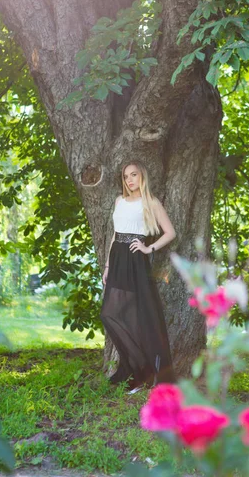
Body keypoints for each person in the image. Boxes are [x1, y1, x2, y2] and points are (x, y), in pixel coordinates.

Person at [100, 160, 177, 393]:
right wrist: (107, 266)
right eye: (126, 176)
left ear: (142, 176)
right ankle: (137, 367)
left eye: (134, 175)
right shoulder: (119, 201)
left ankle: (143, 372)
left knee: (138, 317)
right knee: (110, 313)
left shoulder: (150, 202)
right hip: (117, 258)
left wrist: (148, 249)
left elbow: (170, 232)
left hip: (135, 259)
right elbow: (115, 235)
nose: (130, 180)